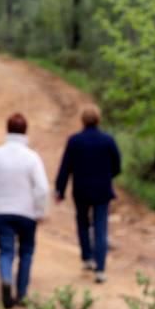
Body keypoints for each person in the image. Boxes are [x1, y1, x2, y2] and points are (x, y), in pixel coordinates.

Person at [0, 113, 50, 309]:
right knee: (26, 251)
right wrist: (40, 211)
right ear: (25, 131)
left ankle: (5, 278)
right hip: (26, 213)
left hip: (0, 211)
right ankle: (21, 294)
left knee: (6, 250)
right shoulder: (32, 158)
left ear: (7, 130)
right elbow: (42, 188)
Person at [54, 104, 122, 283]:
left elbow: (65, 167)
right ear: (99, 119)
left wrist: (60, 189)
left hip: (81, 189)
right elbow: (117, 166)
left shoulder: (75, 141)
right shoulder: (108, 140)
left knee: (82, 222)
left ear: (82, 120)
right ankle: (100, 269)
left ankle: (87, 257)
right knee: (101, 228)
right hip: (102, 190)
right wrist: (107, 176)